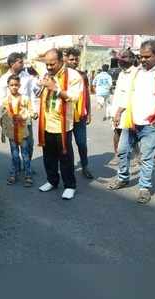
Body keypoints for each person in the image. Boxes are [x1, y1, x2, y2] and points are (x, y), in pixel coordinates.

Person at [108, 40, 155, 203]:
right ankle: (123, 177)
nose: (143, 60)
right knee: (123, 151)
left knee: (146, 157)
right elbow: (130, 94)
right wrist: (119, 111)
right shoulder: (137, 71)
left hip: (151, 124)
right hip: (131, 120)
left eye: (147, 57)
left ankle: (144, 187)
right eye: (141, 56)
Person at [33, 48, 82, 200]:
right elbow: (33, 58)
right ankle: (52, 181)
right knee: (48, 157)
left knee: (65, 158)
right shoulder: (47, 73)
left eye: (52, 64)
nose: (48, 67)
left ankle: (69, 186)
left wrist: (56, 89)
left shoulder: (73, 75)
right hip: (46, 123)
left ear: (62, 61)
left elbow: (74, 97)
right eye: (46, 64)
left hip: (63, 126)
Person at [0, 52, 35, 163]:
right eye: (20, 62)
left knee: (29, 143)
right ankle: (17, 167)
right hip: (11, 118)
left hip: (25, 117)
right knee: (14, 146)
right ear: (12, 64)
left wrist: (34, 111)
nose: (23, 63)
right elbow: (1, 98)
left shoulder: (27, 77)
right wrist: (1, 116)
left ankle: (27, 165)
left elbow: (32, 95)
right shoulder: (4, 79)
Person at [0, 74, 37, 187]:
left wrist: (33, 114)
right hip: (11, 133)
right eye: (12, 85)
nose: (14, 87)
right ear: (8, 86)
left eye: (16, 85)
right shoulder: (5, 100)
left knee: (25, 155)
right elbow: (2, 114)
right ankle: (13, 174)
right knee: (15, 155)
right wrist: (3, 128)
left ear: (19, 85)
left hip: (23, 132)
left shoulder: (25, 99)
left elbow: (31, 111)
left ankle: (28, 175)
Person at [65, 47, 93, 179]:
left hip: (80, 115)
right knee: (67, 144)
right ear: (65, 59)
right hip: (66, 116)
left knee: (81, 143)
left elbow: (86, 95)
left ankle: (85, 166)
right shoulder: (61, 75)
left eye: (76, 59)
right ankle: (68, 167)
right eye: (71, 59)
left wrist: (89, 113)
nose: (74, 61)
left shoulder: (82, 75)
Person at [108, 49, 139, 166]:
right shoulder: (121, 73)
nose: (120, 60)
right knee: (117, 131)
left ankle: (136, 155)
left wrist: (119, 112)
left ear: (132, 58)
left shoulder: (137, 73)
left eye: (124, 57)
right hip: (116, 108)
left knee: (130, 133)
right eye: (119, 58)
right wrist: (113, 111)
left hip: (127, 110)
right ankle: (118, 155)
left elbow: (130, 95)